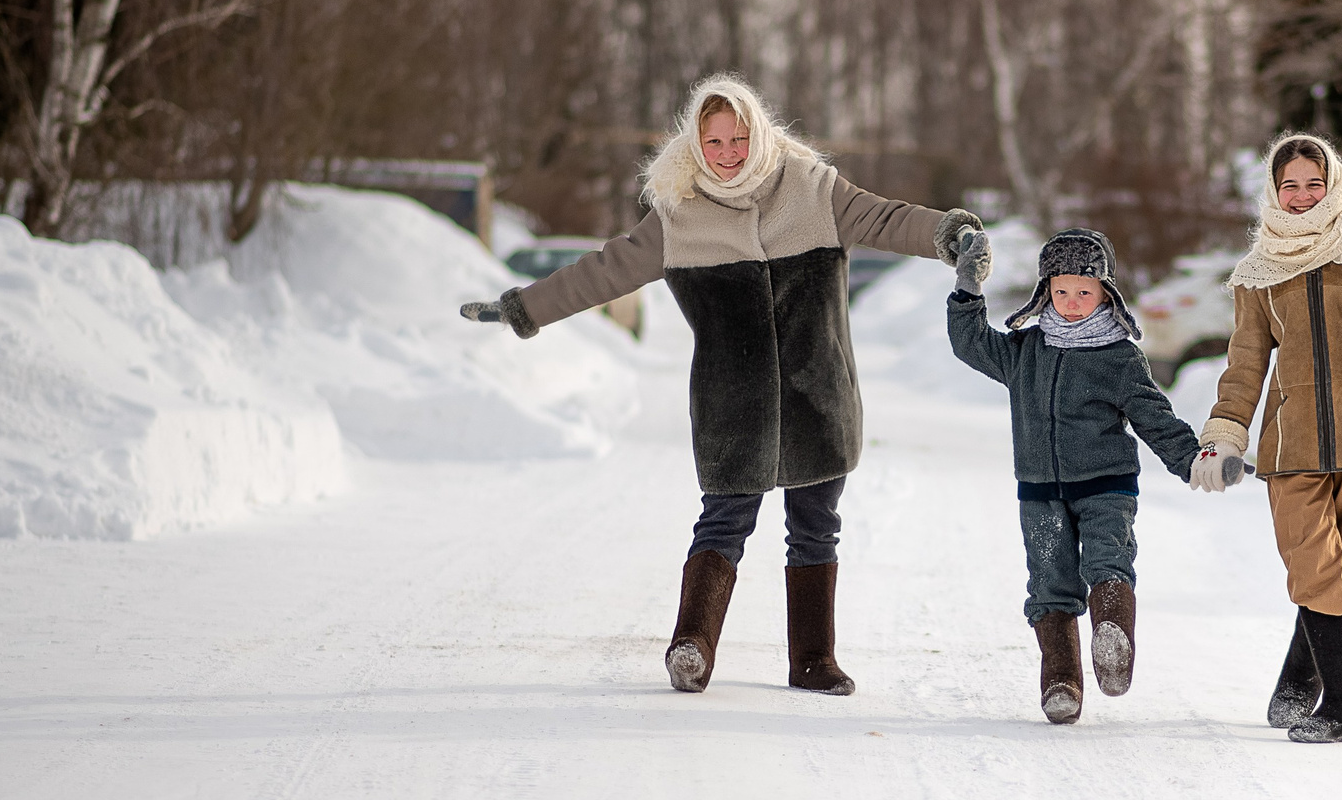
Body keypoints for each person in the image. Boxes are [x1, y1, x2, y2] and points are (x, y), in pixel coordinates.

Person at [461, 75, 980, 695]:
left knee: (816, 523)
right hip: (733, 401)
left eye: (739, 138)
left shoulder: (814, 189)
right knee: (724, 521)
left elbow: (886, 219)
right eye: (715, 142)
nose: (729, 152)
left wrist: (951, 235)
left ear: (760, 133)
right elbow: (605, 270)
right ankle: (692, 646)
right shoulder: (678, 216)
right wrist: (525, 308)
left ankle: (813, 661)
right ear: (694, 144)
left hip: (819, 393)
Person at [944, 226, 1235, 724]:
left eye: (1084, 291)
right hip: (1040, 491)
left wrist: (1195, 459)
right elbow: (969, 342)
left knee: (1108, 561)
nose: (1072, 302)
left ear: (1106, 292)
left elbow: (1154, 417)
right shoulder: (1024, 351)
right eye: (1061, 291)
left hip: (1106, 486)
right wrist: (968, 288)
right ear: (1045, 292)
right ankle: (1061, 681)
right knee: (1049, 584)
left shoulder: (1119, 358)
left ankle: (1112, 642)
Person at [1195, 134, 1342, 744]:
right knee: (1314, 563)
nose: (1301, 197)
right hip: (1291, 442)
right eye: (1289, 185)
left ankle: (1299, 682)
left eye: (1313, 184)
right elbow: (1245, 365)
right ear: (1273, 191)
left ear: (1334, 184)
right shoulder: (1257, 275)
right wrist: (1225, 434)